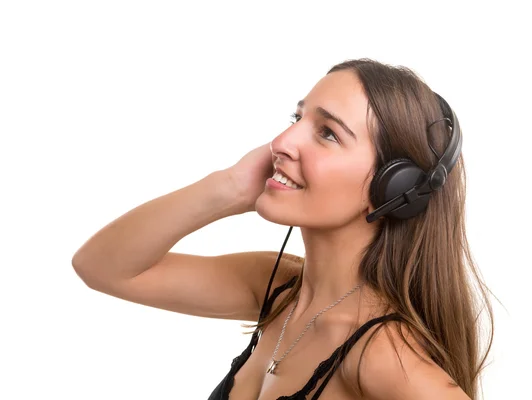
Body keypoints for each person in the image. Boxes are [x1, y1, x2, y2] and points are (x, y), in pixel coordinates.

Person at [72, 58, 494, 400]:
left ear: (393, 187)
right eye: (297, 117)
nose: (282, 140)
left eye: (327, 133)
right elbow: (102, 267)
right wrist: (228, 187)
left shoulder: (381, 352)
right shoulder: (276, 290)